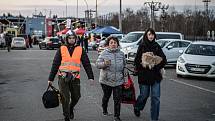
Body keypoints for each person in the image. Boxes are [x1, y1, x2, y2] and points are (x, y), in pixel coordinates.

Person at [48, 31, 94, 121]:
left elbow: (87, 64)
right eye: (70, 38)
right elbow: (55, 64)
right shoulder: (61, 49)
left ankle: (70, 108)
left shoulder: (80, 49)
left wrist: (90, 77)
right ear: (67, 39)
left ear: (76, 39)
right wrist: (51, 78)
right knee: (65, 97)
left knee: (77, 96)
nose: (71, 40)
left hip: (75, 78)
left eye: (73, 38)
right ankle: (67, 116)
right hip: (63, 77)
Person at [133, 28, 167, 121]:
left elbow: (164, 60)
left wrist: (156, 65)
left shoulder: (157, 46)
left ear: (154, 36)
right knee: (144, 95)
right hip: (144, 76)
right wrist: (144, 64)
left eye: (152, 34)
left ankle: (154, 118)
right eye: (149, 34)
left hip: (155, 76)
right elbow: (136, 61)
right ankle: (137, 107)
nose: (151, 36)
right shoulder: (142, 46)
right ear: (146, 36)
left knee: (155, 98)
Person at [96, 36, 125, 121]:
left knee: (117, 99)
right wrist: (104, 63)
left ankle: (117, 116)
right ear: (108, 44)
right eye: (111, 43)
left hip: (118, 80)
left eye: (115, 42)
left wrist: (125, 78)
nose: (113, 44)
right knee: (106, 96)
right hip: (106, 80)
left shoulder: (121, 54)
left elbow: (124, 66)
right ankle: (104, 109)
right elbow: (97, 64)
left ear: (117, 44)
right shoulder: (104, 53)